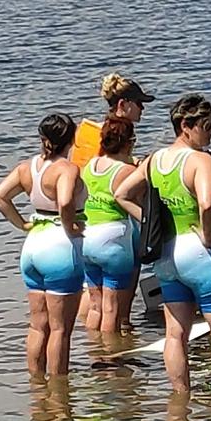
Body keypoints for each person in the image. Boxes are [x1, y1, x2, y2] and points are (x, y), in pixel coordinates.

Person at [146, 92, 211, 396]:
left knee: (175, 334)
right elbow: (206, 203)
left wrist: (152, 222)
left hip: (166, 255)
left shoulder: (153, 159)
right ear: (186, 126)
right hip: (198, 253)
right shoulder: (200, 160)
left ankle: (179, 400)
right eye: (207, 125)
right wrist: (210, 236)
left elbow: (123, 192)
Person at [0, 112, 86, 376]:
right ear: (71, 139)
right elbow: (65, 202)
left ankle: (36, 384)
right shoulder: (67, 169)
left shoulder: (26, 168)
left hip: (33, 246)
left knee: (37, 325)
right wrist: (71, 226)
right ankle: (58, 394)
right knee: (60, 329)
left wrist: (21, 224)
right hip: (60, 247)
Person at [77, 114, 146, 336]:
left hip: (87, 238)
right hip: (113, 241)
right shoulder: (127, 172)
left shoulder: (90, 165)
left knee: (96, 306)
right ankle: (110, 357)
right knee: (112, 308)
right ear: (128, 143)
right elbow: (142, 200)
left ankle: (94, 349)